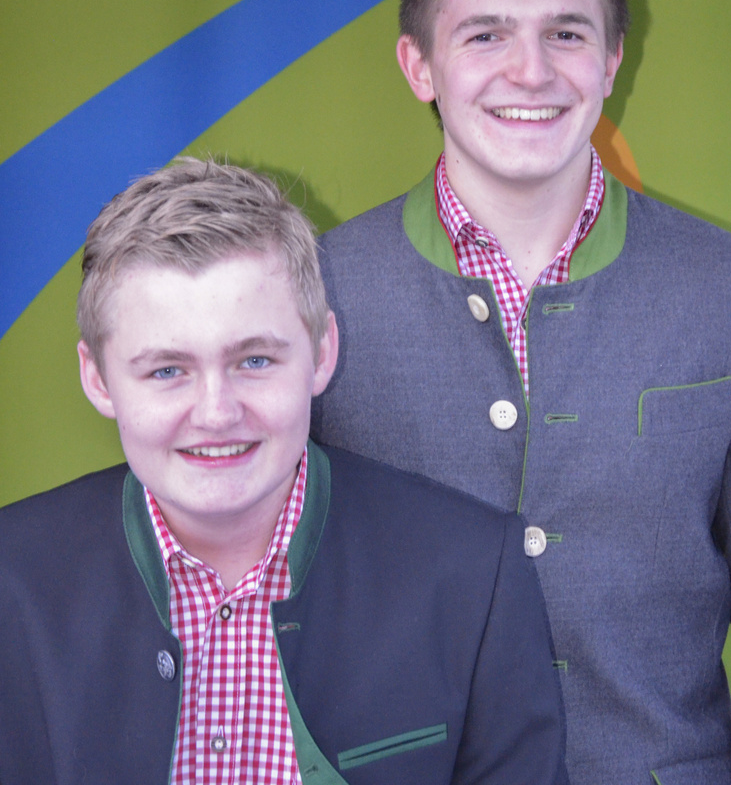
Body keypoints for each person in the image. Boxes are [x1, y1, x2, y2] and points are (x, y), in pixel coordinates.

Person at [311, 0, 731, 784]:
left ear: (612, 58)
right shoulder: (315, 292)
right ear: (419, 65)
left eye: (566, 33)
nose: (530, 71)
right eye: (485, 33)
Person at [0, 157, 568, 785]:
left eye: (255, 361)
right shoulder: (11, 580)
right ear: (98, 379)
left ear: (322, 353)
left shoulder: (473, 574)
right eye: (167, 370)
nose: (216, 413)